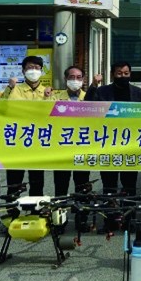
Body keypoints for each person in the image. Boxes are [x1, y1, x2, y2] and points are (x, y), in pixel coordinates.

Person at [87, 61, 141, 197]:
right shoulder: (102, 91)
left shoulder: (140, 93)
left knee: (130, 184)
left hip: (131, 145)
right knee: (109, 184)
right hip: (107, 144)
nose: (123, 76)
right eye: (119, 73)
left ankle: (130, 215)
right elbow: (88, 107)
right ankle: (110, 215)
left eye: (126, 73)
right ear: (113, 74)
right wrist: (94, 85)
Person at [3, 55, 50, 198]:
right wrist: (9, 88)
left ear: (42, 71)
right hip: (17, 140)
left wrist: (48, 98)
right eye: (30, 68)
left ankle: (36, 211)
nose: (33, 71)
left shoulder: (48, 91)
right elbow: (3, 107)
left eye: (37, 68)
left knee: (37, 181)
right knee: (14, 181)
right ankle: (12, 212)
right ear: (23, 71)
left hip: (38, 142)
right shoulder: (15, 89)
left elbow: (53, 114)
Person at [51, 66, 92, 198]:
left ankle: (82, 216)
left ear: (83, 80)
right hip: (62, 147)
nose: (75, 80)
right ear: (65, 79)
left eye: (78, 77)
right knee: (60, 184)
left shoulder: (90, 98)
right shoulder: (55, 98)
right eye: (71, 77)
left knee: (82, 184)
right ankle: (59, 214)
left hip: (83, 147)